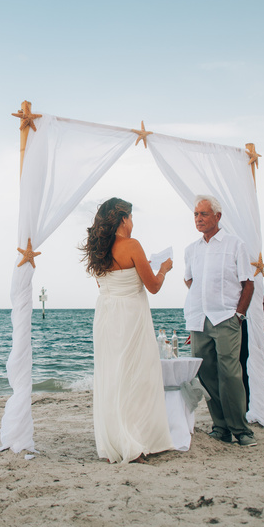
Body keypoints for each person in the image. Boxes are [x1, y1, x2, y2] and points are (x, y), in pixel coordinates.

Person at [81, 198, 175, 463]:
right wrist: (164, 269)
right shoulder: (132, 245)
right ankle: (136, 438)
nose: (133, 224)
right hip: (131, 316)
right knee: (137, 375)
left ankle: (116, 439)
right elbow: (153, 286)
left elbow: (103, 287)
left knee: (113, 376)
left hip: (107, 316)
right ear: (124, 219)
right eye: (131, 218)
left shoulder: (98, 250)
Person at [184, 195, 257, 446]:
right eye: (196, 214)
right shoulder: (191, 250)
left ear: (217, 216)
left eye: (203, 214)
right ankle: (221, 427)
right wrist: (198, 310)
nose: (199, 219)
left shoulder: (235, 245)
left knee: (231, 375)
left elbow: (248, 283)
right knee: (207, 375)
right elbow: (190, 281)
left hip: (226, 318)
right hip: (199, 321)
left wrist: (239, 315)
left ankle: (241, 429)